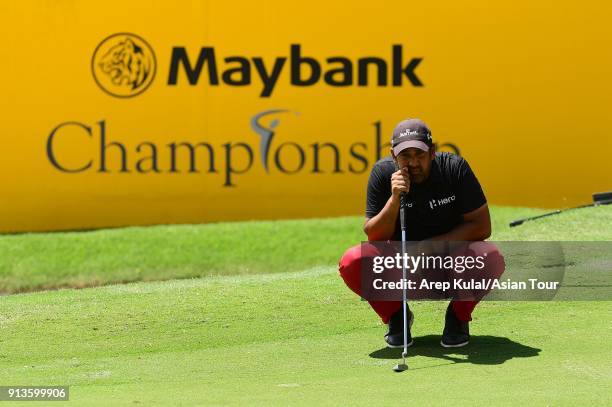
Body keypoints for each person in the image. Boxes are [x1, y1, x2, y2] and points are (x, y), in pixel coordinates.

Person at [338, 118, 504, 348]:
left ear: (432, 152)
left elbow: (482, 226)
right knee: (353, 261)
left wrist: (428, 247)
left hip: (449, 263)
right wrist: (394, 199)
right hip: (403, 269)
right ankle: (397, 317)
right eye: (406, 155)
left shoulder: (454, 169)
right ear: (393, 156)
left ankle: (457, 318)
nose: (414, 162)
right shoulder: (382, 173)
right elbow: (374, 236)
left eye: (420, 154)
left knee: (488, 255)